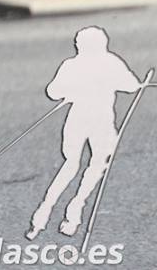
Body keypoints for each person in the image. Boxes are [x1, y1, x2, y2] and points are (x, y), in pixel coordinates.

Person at [27, 27, 152, 240]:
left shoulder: (72, 65)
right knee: (97, 163)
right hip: (100, 119)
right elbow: (131, 85)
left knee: (73, 164)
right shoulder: (110, 61)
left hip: (80, 119)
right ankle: (71, 209)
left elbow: (52, 91)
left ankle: (47, 212)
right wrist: (141, 84)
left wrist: (71, 91)